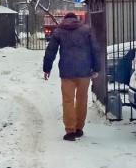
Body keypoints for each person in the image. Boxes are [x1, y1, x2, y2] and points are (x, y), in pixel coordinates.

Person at [42, 12, 101, 141]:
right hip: (84, 71)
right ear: (76, 19)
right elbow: (95, 49)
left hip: (67, 72)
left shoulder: (59, 32)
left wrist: (47, 68)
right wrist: (96, 68)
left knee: (68, 100)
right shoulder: (86, 30)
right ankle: (79, 128)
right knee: (82, 99)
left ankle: (70, 130)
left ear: (65, 20)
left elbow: (50, 51)